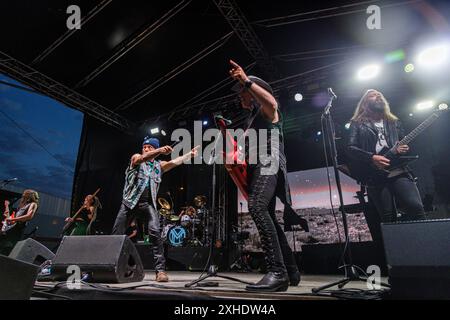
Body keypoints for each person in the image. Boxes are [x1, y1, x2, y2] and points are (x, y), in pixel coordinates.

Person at [229, 60, 300, 292]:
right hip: (258, 165)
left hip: (269, 161)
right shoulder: (251, 121)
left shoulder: (267, 110)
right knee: (266, 211)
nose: (240, 96)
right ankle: (290, 270)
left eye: (243, 92)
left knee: (257, 207)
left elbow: (271, 102)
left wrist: (246, 81)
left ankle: (277, 272)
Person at [112, 136, 198, 282]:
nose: (145, 149)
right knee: (115, 236)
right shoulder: (136, 158)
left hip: (148, 204)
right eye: (144, 147)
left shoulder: (159, 166)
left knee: (156, 233)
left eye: (149, 147)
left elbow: (174, 162)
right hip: (129, 204)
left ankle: (160, 271)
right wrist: (158, 150)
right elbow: (140, 159)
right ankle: (111, 266)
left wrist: (189, 154)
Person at [347, 89, 426, 223]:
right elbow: (350, 148)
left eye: (379, 95)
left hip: (398, 170)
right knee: (388, 217)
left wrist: (404, 149)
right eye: (373, 95)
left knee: (416, 207)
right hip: (374, 174)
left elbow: (403, 144)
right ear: (365, 104)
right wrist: (372, 157)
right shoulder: (357, 124)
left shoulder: (394, 122)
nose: (378, 96)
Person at [0, 189, 39, 255]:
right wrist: (7, 206)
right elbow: (11, 218)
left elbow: (29, 216)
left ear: (29, 196)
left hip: (17, 230)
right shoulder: (22, 205)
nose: (23, 196)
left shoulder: (33, 204)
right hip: (10, 229)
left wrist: (13, 219)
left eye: (24, 194)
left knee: (7, 249)